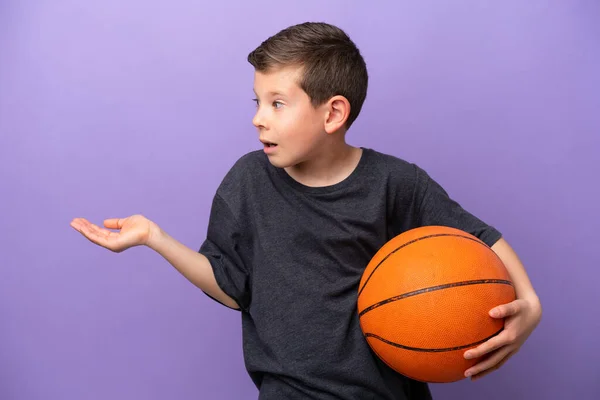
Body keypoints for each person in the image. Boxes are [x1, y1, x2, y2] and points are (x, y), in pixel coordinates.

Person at [70, 22, 542, 400]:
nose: (259, 117)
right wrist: (156, 238)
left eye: (278, 103)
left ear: (333, 114)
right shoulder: (247, 182)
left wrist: (530, 303)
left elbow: (478, 235)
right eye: (257, 102)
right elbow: (234, 290)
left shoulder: (395, 182)